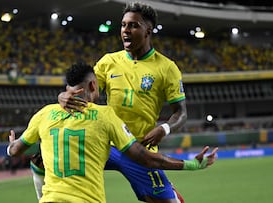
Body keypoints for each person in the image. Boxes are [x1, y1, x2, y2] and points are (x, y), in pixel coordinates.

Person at [7, 62, 218, 203]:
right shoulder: (105, 115)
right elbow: (145, 158)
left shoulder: (44, 114)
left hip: (55, 195)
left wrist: (11, 145)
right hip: (118, 161)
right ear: (93, 84)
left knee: (39, 158)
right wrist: (192, 164)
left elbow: (15, 150)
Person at [57, 2, 189, 203]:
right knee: (44, 160)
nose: (126, 31)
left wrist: (164, 129)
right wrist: (64, 96)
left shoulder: (167, 68)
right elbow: (86, 93)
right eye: (123, 25)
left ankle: (169, 193)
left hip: (138, 148)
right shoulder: (108, 61)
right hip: (105, 144)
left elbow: (181, 113)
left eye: (133, 25)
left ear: (148, 31)